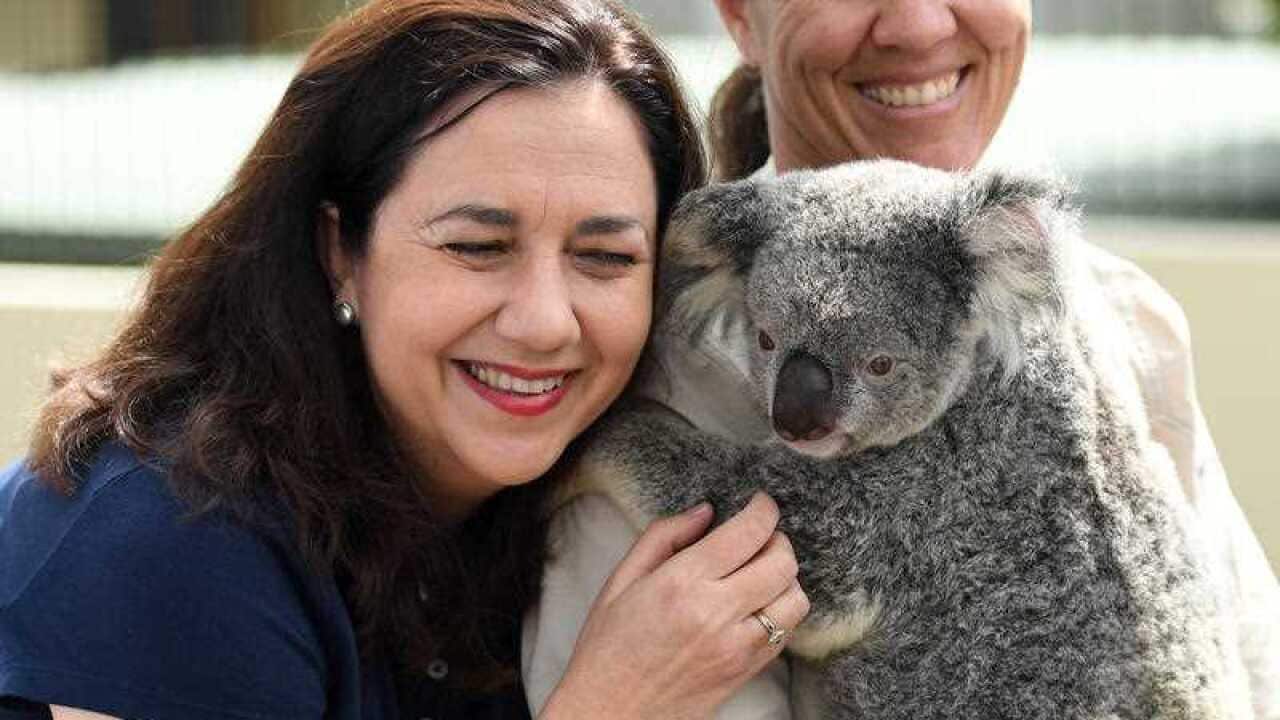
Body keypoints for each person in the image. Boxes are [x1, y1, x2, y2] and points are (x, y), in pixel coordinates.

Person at [0, 1, 812, 718]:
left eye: (604, 257)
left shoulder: (544, 506)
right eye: (476, 245)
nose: (543, 322)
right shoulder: (166, 532)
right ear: (339, 251)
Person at [523, 1, 1280, 718]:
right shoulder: (639, 375)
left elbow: (1253, 670)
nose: (918, 24)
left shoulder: (1120, 309)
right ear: (739, 15)